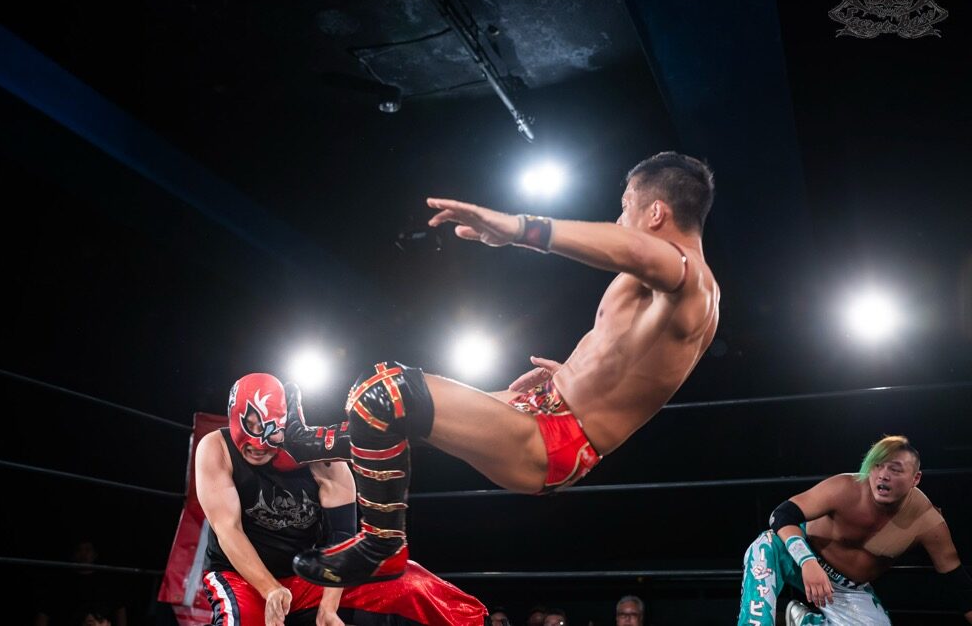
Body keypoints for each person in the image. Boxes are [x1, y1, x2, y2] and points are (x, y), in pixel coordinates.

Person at [293, 151, 719, 586]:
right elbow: (633, 363)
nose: (619, 219)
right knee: (386, 413)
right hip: (543, 407)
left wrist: (518, 227)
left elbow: (637, 251)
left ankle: (381, 546)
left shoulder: (693, 283)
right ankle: (302, 444)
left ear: (655, 213)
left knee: (387, 391)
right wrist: (569, 375)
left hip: (554, 441)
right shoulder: (664, 288)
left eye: (626, 206)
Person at [196, 372, 488, 626]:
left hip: (307, 575)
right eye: (252, 427)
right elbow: (228, 530)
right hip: (241, 576)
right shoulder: (216, 449)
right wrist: (270, 588)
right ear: (233, 417)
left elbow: (341, 540)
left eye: (271, 431)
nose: (258, 445)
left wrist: (329, 606)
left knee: (410, 581)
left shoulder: (325, 462)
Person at [737, 435, 972, 625]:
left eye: (895, 469)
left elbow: (958, 584)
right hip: (795, 553)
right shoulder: (845, 488)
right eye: (877, 465)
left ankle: (803, 621)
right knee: (764, 547)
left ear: (915, 478)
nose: (883, 475)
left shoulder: (927, 522)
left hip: (843, 586)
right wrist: (807, 560)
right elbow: (781, 514)